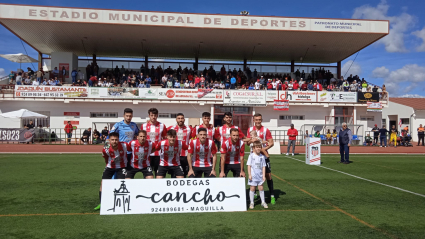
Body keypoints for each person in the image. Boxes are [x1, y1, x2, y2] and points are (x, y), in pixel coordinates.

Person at [94, 132, 129, 210]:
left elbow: (131, 152)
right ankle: (102, 203)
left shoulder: (124, 145)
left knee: (120, 184)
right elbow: (105, 158)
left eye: (116, 140)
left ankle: (119, 203)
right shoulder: (106, 148)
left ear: (118, 140)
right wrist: (108, 165)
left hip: (122, 166)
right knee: (103, 184)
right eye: (112, 140)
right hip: (110, 166)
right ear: (109, 140)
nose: (114, 141)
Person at [246, 113, 276, 203]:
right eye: (256, 120)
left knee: (268, 176)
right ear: (254, 120)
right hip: (253, 156)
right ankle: (254, 193)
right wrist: (252, 140)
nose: (258, 121)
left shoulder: (266, 130)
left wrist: (263, 149)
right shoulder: (250, 129)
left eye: (259, 119)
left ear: (261, 120)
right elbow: (247, 143)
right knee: (254, 174)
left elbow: (271, 142)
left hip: (263, 156)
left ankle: (272, 195)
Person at [140, 108, 167, 177]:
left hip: (158, 153)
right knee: (147, 174)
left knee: (158, 173)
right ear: (149, 116)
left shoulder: (162, 125)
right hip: (147, 153)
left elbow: (165, 138)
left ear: (157, 115)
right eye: (152, 115)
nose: (153, 117)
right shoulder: (144, 126)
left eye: (155, 115)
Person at [167, 113, 192, 178]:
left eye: (182, 118)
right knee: (173, 174)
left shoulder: (189, 128)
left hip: (185, 155)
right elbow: (164, 135)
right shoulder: (171, 128)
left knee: (184, 174)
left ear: (184, 119)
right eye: (179, 118)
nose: (180, 120)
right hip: (174, 154)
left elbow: (196, 135)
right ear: (176, 120)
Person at [247, 141, 268, 209]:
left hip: (260, 176)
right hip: (253, 176)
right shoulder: (251, 155)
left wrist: (264, 176)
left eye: (259, 147)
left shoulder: (262, 156)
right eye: (257, 147)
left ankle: (263, 202)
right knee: (252, 188)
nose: (258, 148)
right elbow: (249, 165)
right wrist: (249, 174)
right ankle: (252, 202)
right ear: (254, 148)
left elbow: (263, 166)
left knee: (261, 188)